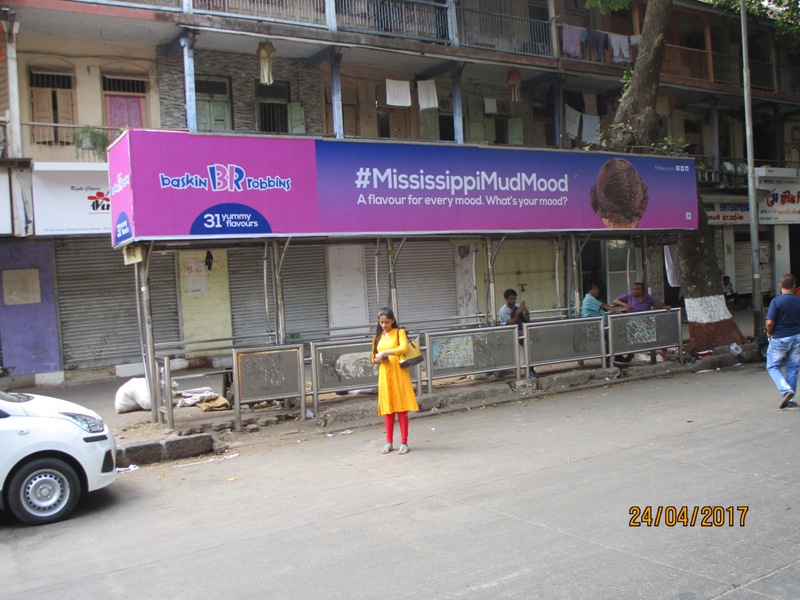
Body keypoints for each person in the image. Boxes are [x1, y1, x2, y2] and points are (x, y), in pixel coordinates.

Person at [371, 308, 419, 454]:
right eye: (381, 322)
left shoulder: (399, 332)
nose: (384, 325)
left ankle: (404, 443)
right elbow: (373, 357)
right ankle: (388, 443)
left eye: (386, 322)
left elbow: (403, 348)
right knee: (388, 410)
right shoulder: (377, 337)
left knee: (401, 409)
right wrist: (378, 359)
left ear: (392, 320)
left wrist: (386, 352)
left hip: (399, 374)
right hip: (385, 375)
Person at [764, 274, 800, 409]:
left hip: (780, 338)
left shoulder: (776, 301)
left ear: (780, 286)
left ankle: (786, 390)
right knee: (793, 367)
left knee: (772, 366)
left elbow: (770, 322)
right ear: (794, 287)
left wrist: (769, 332)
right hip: (798, 338)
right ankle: (790, 400)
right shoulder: (798, 301)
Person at [498, 288, 534, 377]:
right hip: (508, 332)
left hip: (520, 331)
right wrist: (517, 313)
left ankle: (530, 369)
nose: (513, 301)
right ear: (506, 299)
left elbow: (526, 320)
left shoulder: (517, 306)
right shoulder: (503, 311)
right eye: (511, 299)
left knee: (530, 343)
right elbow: (512, 323)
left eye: (514, 299)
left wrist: (526, 311)